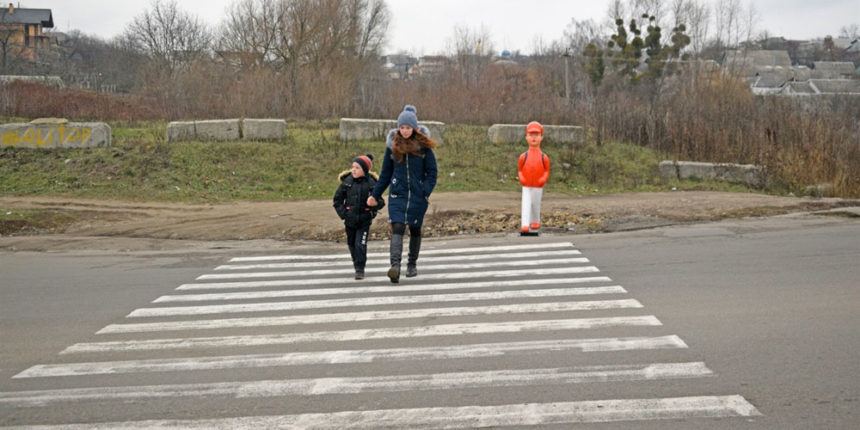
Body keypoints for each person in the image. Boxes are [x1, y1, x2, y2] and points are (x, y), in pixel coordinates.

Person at [367, 105, 438, 283]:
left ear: (414, 128)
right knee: (397, 226)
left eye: (408, 127)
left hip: (417, 195)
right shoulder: (392, 146)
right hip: (397, 194)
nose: (405, 131)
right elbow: (385, 174)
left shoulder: (424, 147)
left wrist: (425, 191)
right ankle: (395, 267)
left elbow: (432, 172)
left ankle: (412, 264)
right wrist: (375, 195)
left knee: (414, 228)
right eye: (402, 127)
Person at [333, 154, 384, 280]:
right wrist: (344, 214)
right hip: (349, 220)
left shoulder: (372, 184)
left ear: (365, 170)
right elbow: (337, 200)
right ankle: (356, 262)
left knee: (360, 244)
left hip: (364, 221)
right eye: (353, 167)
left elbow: (381, 202)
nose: (353, 170)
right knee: (351, 244)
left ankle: (360, 269)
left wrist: (374, 206)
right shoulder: (347, 182)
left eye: (357, 168)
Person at [517, 121, 551, 235]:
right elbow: (520, 169)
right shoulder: (523, 156)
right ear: (526, 137)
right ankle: (525, 224)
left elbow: (546, 170)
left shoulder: (544, 157)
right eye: (531, 135)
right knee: (526, 203)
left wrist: (543, 179)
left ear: (541, 137)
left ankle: (535, 221)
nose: (534, 138)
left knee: (535, 204)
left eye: (536, 135)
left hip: (538, 185)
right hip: (526, 185)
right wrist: (521, 178)